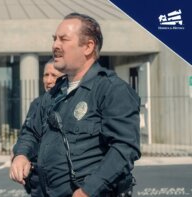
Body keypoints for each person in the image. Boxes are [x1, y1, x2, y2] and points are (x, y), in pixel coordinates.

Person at [10, 12, 141, 197]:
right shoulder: (53, 94)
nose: (55, 45)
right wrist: (21, 155)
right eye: (54, 39)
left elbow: (124, 149)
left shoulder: (111, 90)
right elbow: (31, 132)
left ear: (88, 47)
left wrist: (88, 191)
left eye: (63, 39)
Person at [17, 59, 64, 196]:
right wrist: (20, 154)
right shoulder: (37, 104)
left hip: (61, 179)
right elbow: (27, 134)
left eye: (54, 75)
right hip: (38, 179)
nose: (48, 80)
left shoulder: (70, 103)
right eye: (46, 75)